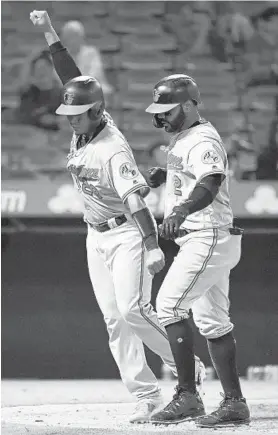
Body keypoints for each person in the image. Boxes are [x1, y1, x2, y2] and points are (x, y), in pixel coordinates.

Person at [29, 10, 205, 424]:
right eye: (70, 112)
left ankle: (188, 370)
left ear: (96, 112)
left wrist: (150, 246)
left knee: (133, 310)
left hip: (128, 233)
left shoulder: (110, 147)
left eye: (78, 113)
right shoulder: (86, 122)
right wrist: (51, 34)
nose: (70, 117)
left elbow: (137, 202)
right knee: (114, 319)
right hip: (96, 233)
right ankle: (146, 394)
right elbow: (73, 81)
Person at [144, 74, 250, 427]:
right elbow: (191, 177)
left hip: (208, 234)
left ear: (189, 105)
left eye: (168, 109)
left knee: (169, 305)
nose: (161, 117)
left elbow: (209, 182)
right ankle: (234, 403)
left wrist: (180, 209)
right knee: (212, 321)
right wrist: (166, 177)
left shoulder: (203, 138)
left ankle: (188, 395)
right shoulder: (182, 138)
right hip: (205, 236)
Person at [60, 20, 113, 100]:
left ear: (81, 37)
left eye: (74, 36)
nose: (72, 40)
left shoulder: (91, 52)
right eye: (68, 37)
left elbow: (95, 72)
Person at [16, 50, 62, 131]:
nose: (42, 71)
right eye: (38, 68)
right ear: (33, 71)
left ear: (51, 68)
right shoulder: (29, 92)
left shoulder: (61, 93)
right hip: (31, 133)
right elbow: (26, 115)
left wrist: (55, 120)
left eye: (44, 67)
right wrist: (30, 58)